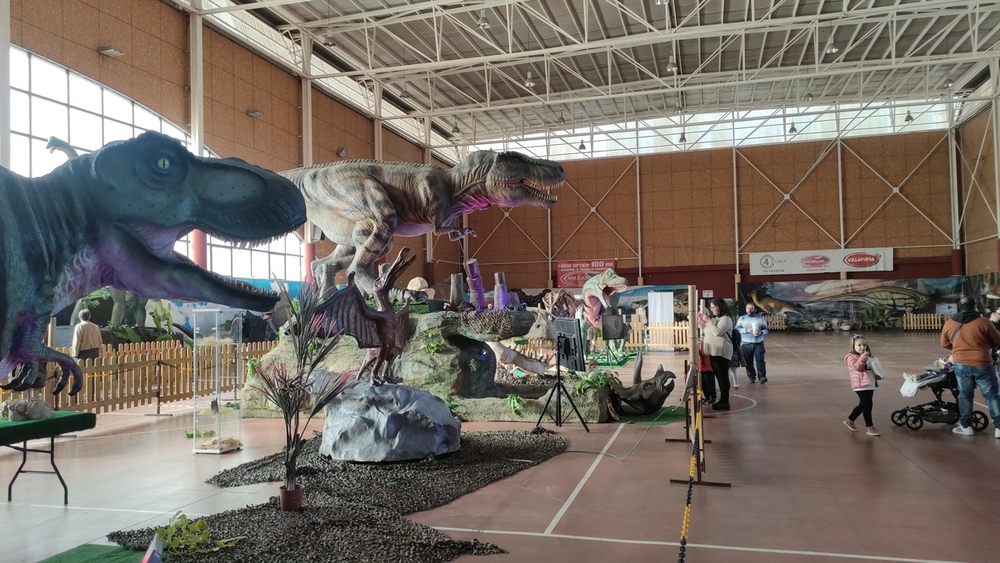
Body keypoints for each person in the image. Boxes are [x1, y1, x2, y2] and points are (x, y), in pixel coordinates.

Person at [940, 296, 1000, 438]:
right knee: (991, 395)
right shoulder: (984, 322)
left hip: (961, 364)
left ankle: (966, 426)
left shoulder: (949, 323)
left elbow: (944, 343)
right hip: (983, 363)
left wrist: (959, 348)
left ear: (960, 307)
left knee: (965, 395)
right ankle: (999, 427)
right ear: (974, 306)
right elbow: (997, 341)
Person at [699, 298, 733, 410]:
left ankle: (725, 401)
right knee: (719, 376)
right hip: (713, 352)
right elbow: (707, 331)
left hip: (721, 352)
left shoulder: (726, 319)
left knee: (722, 378)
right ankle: (722, 400)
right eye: (711, 307)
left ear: (720, 307)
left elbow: (717, 332)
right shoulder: (715, 319)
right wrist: (701, 323)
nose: (712, 309)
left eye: (714, 307)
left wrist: (708, 320)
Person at [843, 334, 880, 436]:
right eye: (859, 345)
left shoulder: (867, 356)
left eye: (864, 345)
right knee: (868, 404)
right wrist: (864, 357)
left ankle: (850, 420)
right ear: (853, 346)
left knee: (863, 405)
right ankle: (869, 427)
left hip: (869, 383)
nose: (862, 347)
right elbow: (857, 367)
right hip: (860, 384)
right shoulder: (850, 357)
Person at [736, 302, 768, 383]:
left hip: (758, 343)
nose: (749, 310)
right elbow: (737, 329)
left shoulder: (760, 318)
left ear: (755, 309)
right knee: (748, 361)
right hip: (746, 344)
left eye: (751, 308)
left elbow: (766, 329)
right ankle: (751, 376)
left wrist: (762, 332)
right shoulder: (742, 318)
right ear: (746, 309)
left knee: (760, 360)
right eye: (748, 308)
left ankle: (762, 377)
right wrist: (746, 330)